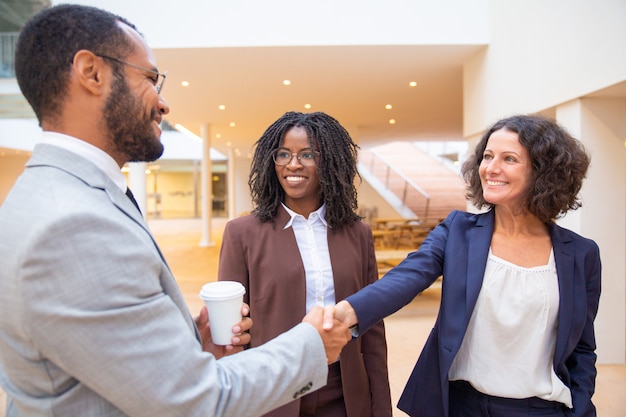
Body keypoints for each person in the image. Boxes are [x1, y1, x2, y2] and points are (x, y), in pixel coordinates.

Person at [0, 5, 351, 417]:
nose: (163, 104)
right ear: (91, 73)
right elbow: (196, 401)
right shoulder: (72, 223)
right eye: (150, 78)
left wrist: (187, 343)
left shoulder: (58, 194)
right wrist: (311, 344)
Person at [333, 114, 602, 417]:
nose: (491, 168)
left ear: (544, 172)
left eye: (509, 159)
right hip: (462, 406)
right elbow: (407, 277)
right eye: (487, 156)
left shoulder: (580, 253)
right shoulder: (458, 231)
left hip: (542, 409)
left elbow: (581, 347)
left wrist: (579, 405)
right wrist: (347, 311)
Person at [218, 111, 392, 417]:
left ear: (330, 163)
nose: (293, 164)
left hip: (345, 393)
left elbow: (373, 330)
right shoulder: (242, 233)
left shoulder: (358, 234)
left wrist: (380, 407)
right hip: (272, 392)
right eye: (283, 154)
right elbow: (231, 332)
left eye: (307, 154)